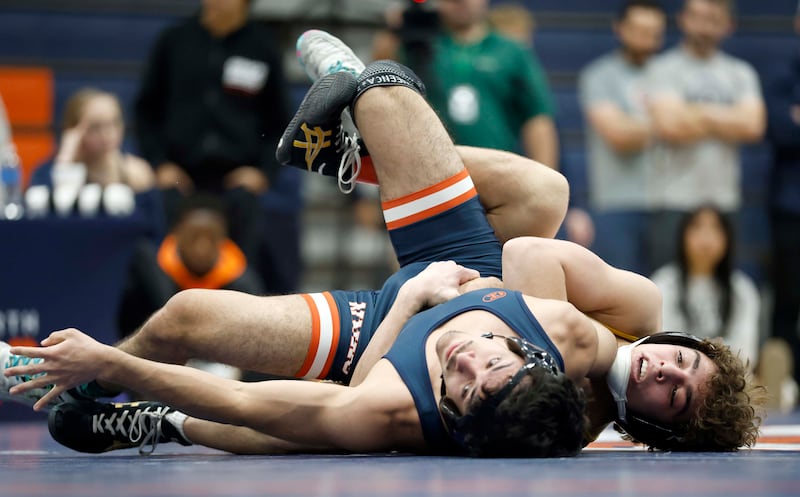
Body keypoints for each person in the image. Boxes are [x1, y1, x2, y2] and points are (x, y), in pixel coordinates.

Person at [6, 31, 761, 455]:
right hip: (471, 274)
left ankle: (126, 405)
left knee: (187, 322)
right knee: (399, 96)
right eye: (683, 358)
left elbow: (323, 404)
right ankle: (351, 151)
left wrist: (116, 364)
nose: (664, 366)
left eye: (672, 390)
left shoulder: (563, 422)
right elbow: (528, 258)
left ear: (662, 424)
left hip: (386, 331)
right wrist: (575, 342)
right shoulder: (632, 315)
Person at [134, 0, 290, 270]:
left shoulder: (262, 47)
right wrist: (160, 164)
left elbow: (281, 121)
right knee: (164, 263)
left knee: (241, 267)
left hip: (236, 180)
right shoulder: (174, 40)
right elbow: (145, 111)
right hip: (181, 178)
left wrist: (264, 172)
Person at [644, 0, 766, 269]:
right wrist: (729, 117)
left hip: (724, 199)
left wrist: (694, 112)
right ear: (683, 20)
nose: (704, 26)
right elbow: (670, 127)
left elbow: (754, 126)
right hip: (673, 198)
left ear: (728, 25)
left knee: (721, 289)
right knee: (665, 287)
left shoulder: (740, 73)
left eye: (713, 19)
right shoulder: (661, 68)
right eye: (697, 17)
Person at [372, 0, 559, 169]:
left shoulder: (511, 51)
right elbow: (378, 77)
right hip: (429, 169)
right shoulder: (418, 44)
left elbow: (537, 118)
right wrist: (396, 30)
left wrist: (546, 176)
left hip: (495, 167)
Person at [577, 0, 666, 275]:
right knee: (621, 294)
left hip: (668, 200)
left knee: (667, 291)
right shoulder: (599, 76)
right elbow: (618, 135)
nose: (645, 38)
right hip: (617, 201)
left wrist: (637, 125)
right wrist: (669, 122)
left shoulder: (670, 74)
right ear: (620, 29)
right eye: (638, 29)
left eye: (652, 32)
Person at [117, 193, 264, 345]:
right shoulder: (151, 274)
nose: (202, 247)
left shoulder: (241, 282)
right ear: (177, 235)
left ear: (223, 239)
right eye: (193, 237)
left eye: (211, 238)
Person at [27, 87, 163, 235]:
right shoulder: (46, 172)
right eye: (95, 126)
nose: (107, 134)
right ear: (73, 130)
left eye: (114, 123)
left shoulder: (137, 172)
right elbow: (43, 223)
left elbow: (153, 232)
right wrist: (66, 159)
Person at [650, 205, 760, 366]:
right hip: (674, 373)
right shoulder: (663, 283)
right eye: (697, 227)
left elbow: (746, 354)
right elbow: (659, 341)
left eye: (715, 228)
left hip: (726, 378)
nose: (706, 237)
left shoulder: (742, 289)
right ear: (683, 235)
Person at [761, 4, 800, 411]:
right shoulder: (782, 74)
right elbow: (779, 128)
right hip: (791, 206)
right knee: (787, 300)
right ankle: (785, 385)